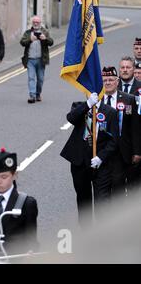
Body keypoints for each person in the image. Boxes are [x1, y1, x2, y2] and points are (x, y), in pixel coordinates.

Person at [60, 75, 118, 227]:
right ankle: (86, 234)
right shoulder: (79, 106)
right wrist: (88, 104)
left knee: (102, 201)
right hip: (80, 162)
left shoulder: (110, 112)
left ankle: (101, 234)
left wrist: (101, 157)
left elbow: (114, 141)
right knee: (84, 200)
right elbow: (71, 118)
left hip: (100, 164)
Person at [101, 66, 140, 196]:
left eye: (111, 80)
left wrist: (137, 152)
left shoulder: (128, 99)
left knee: (118, 188)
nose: (108, 83)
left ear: (117, 82)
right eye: (105, 80)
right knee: (102, 191)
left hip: (120, 151)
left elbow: (135, 128)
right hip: (101, 152)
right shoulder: (95, 100)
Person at [20, 16, 54, 103]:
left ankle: (38, 94)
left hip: (41, 60)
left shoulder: (44, 32)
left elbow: (51, 42)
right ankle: (32, 95)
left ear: (40, 23)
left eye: (37, 22)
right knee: (31, 78)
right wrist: (30, 39)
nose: (35, 23)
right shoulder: (28, 32)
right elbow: (22, 42)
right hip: (30, 60)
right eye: (34, 22)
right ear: (32, 23)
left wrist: (45, 39)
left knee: (40, 79)